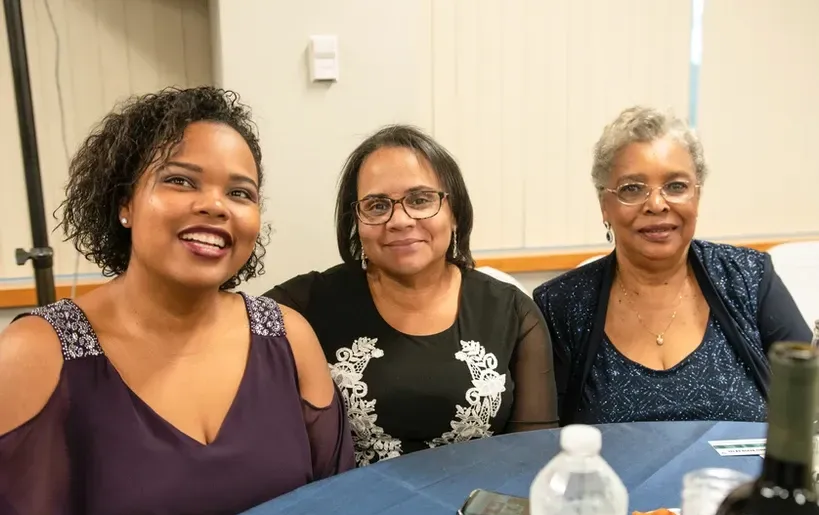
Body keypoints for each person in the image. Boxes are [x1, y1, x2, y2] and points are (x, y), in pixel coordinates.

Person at [0, 87, 354, 515]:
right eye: (181, 181)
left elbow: (341, 505)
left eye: (239, 192)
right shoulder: (35, 354)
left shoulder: (287, 336)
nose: (215, 205)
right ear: (124, 202)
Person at [265, 125, 558, 466]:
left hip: (475, 511)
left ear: (456, 214)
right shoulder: (306, 304)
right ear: (355, 221)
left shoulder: (512, 312)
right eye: (376, 206)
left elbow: (535, 454)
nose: (400, 220)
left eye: (420, 200)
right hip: (355, 511)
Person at [534, 106, 812, 426]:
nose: (656, 204)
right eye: (632, 189)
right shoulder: (560, 305)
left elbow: (810, 401)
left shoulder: (749, 278)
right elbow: (540, 441)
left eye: (676, 186)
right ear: (604, 206)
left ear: (697, 195)